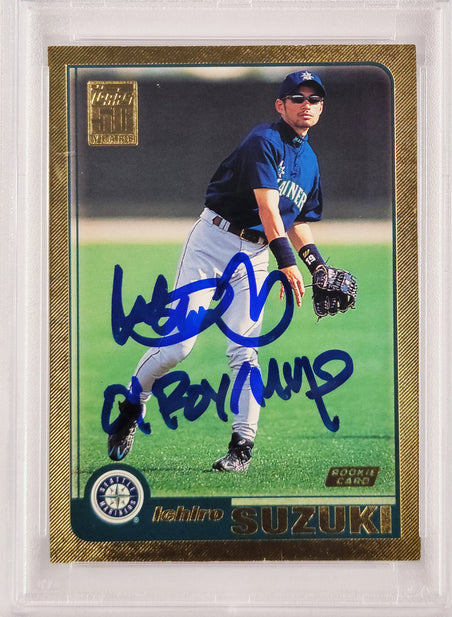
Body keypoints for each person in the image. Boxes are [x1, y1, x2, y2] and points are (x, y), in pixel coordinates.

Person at [107, 69, 356, 471]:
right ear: (280, 105)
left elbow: (295, 219)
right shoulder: (264, 141)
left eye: (314, 99)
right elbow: (267, 208)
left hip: (255, 256)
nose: (306, 105)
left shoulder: (310, 161)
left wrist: (317, 265)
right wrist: (288, 262)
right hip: (212, 243)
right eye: (298, 98)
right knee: (177, 347)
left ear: (321, 107)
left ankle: (241, 448)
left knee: (245, 351)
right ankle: (133, 405)